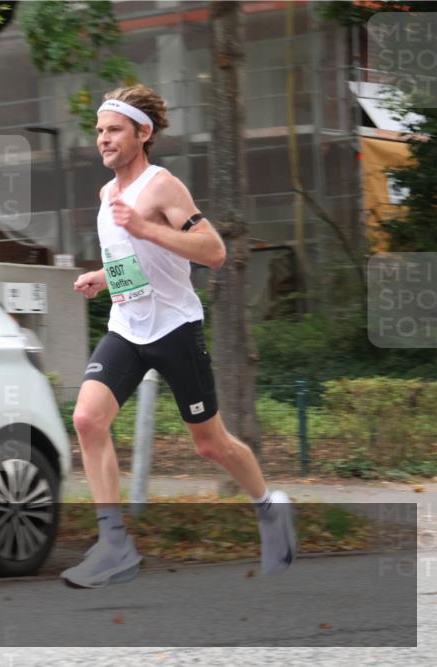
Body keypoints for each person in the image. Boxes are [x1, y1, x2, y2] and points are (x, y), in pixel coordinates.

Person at [61, 84, 297, 589]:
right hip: (127, 327)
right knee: (86, 419)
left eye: (113, 130)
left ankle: (269, 509)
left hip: (174, 329)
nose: (102, 139)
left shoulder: (162, 186)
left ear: (142, 134)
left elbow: (212, 252)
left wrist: (148, 230)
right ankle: (113, 543)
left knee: (210, 444)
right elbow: (134, 262)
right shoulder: (107, 196)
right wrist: (104, 277)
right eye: (99, 131)